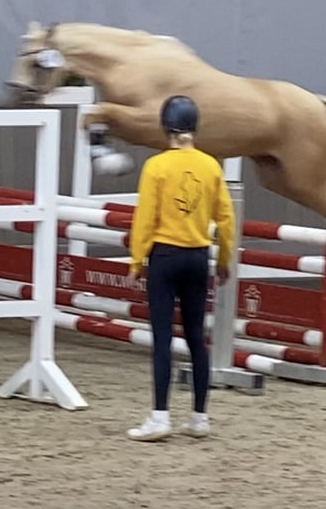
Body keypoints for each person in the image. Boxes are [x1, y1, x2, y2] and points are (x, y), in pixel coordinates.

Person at [125, 95, 235, 442]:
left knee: (162, 338)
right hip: (198, 257)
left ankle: (160, 416)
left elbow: (145, 218)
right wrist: (225, 259)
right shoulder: (211, 166)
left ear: (165, 127)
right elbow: (226, 219)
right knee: (196, 338)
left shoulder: (156, 166)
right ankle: (199, 417)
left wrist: (137, 259)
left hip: (165, 257)